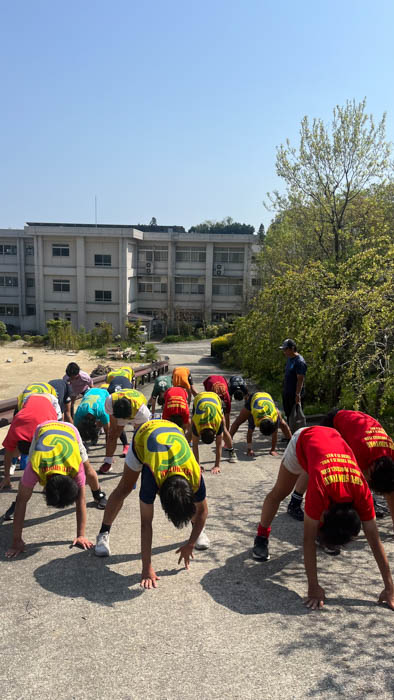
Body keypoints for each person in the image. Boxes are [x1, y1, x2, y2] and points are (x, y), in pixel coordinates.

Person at [252, 426, 394, 610]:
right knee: (279, 493)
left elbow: (374, 540)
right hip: (304, 439)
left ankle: (327, 538)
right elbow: (307, 539)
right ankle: (261, 535)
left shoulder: (361, 491)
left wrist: (390, 588)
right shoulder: (318, 488)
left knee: (328, 517)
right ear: (323, 518)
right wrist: (313, 587)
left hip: (331, 442)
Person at [94, 419, 210, 587]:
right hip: (145, 435)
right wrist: (146, 567)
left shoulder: (195, 475)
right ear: (160, 496)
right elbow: (146, 523)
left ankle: (197, 532)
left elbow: (203, 512)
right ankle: (103, 533)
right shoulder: (151, 476)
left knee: (197, 512)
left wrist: (190, 543)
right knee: (124, 488)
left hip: (172, 431)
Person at [5, 420, 99, 557]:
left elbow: (81, 500)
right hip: (42, 429)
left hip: (71, 432)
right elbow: (21, 501)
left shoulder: (76, 465)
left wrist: (81, 535)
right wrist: (16, 541)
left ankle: (98, 492)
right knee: (23, 493)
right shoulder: (35, 466)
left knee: (88, 467)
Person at [322, 409, 394, 525]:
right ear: (371, 469)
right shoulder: (359, 452)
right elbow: (352, 481)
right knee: (324, 464)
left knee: (387, 485)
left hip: (359, 422)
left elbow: (390, 489)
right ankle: (296, 499)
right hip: (334, 421)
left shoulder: (391, 454)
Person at [0, 394, 58, 491]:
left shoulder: (46, 432)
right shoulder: (16, 430)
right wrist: (6, 477)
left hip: (50, 399)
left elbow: (53, 457)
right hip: (29, 398)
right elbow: (8, 454)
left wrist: (48, 483)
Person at [279, 339, 308, 519]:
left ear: (292, 349)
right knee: (289, 415)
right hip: (286, 392)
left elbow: (300, 379)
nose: (284, 352)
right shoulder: (289, 360)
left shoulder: (299, 361)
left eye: (285, 349)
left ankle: (294, 439)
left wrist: (298, 394)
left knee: (295, 417)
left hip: (294, 393)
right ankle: (288, 436)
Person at [98, 389, 151, 474]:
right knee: (112, 434)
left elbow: (139, 434)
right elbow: (113, 425)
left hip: (137, 414)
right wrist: (115, 430)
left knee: (139, 439)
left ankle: (141, 462)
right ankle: (108, 462)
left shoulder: (142, 412)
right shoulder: (110, 401)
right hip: (121, 411)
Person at [230, 391, 291, 457]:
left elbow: (275, 433)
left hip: (267, 397)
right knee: (238, 421)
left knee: (283, 424)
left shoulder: (275, 416)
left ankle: (292, 444)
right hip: (255, 397)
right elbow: (250, 432)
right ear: (259, 425)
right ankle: (228, 441)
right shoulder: (255, 417)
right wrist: (249, 449)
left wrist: (273, 450)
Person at [192, 391, 235, 473]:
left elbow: (218, 444)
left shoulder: (218, 423)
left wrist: (217, 466)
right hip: (199, 398)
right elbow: (195, 444)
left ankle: (231, 450)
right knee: (193, 433)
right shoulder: (196, 422)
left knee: (224, 429)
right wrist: (197, 465)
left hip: (216, 399)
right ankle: (231, 450)